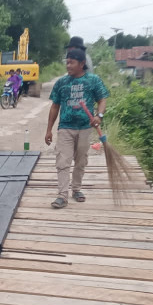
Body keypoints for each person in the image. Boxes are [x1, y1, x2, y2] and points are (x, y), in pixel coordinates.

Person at [44, 48, 109, 209]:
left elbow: (102, 100)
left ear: (82, 64)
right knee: (63, 160)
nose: (68, 65)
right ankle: (62, 195)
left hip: (85, 128)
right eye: (67, 62)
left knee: (81, 160)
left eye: (71, 62)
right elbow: (54, 106)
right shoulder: (62, 83)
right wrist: (49, 129)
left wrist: (98, 116)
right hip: (65, 127)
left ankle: (77, 189)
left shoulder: (93, 80)